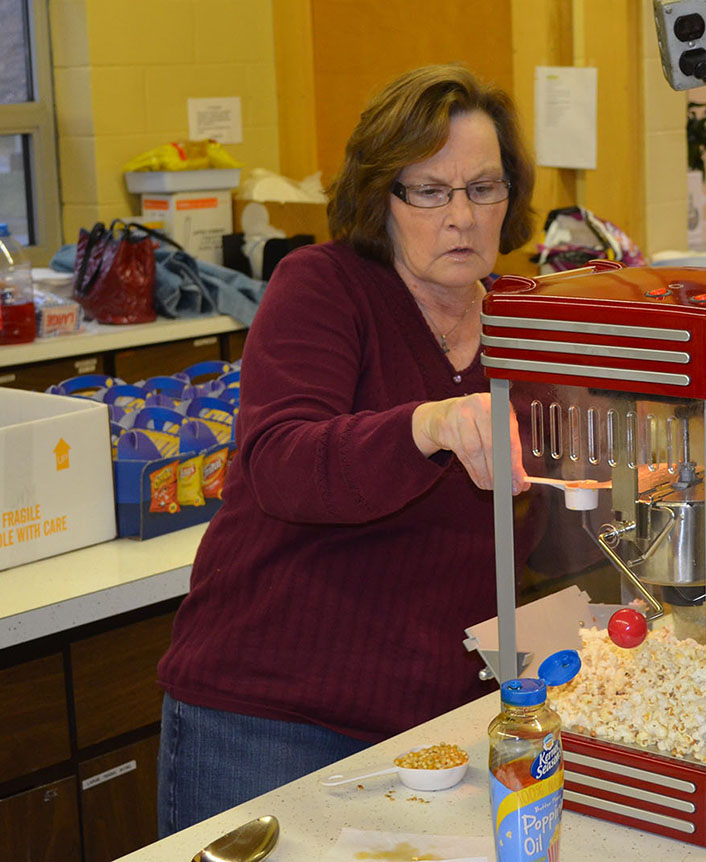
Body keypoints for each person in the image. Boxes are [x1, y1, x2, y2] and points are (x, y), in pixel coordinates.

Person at [155, 64, 542, 836]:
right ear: (380, 198)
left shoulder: (522, 322)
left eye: (484, 188)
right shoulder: (322, 287)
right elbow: (282, 463)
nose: (461, 217)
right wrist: (424, 426)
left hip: (435, 727)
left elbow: (545, 504)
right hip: (269, 720)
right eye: (429, 191)